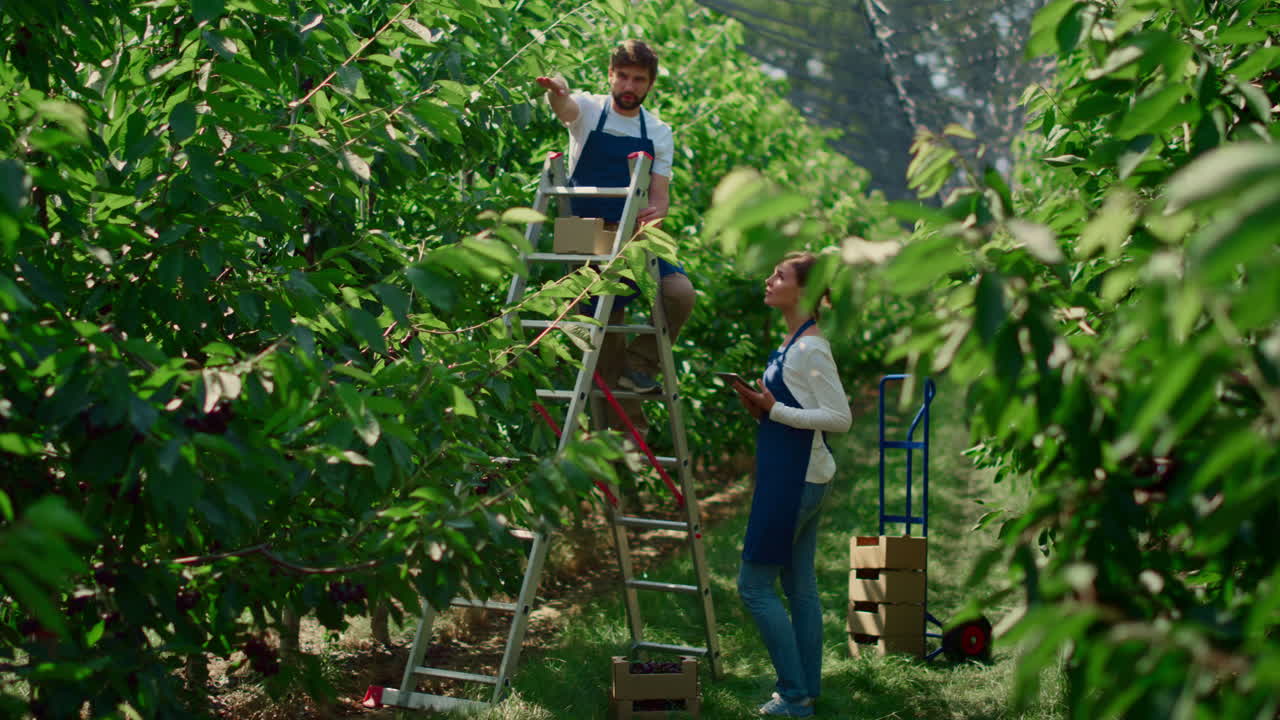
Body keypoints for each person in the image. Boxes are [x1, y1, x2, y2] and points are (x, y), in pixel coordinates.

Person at [536, 40, 696, 434]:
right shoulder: (589, 110)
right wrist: (557, 91)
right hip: (582, 235)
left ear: (650, 84)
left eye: (638, 79)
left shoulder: (658, 132)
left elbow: (660, 199)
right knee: (602, 357)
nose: (629, 84)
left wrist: (655, 218)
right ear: (610, 75)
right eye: (622, 75)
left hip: (630, 236)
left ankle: (641, 364)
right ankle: (617, 455)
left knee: (679, 293)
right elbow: (565, 107)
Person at [732, 251, 852, 718]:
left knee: (753, 587)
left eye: (778, 275)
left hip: (795, 479)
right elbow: (793, 403)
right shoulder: (793, 342)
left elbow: (840, 418)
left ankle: (793, 694)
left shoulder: (811, 349)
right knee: (798, 585)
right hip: (797, 472)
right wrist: (764, 406)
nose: (768, 280)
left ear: (802, 290)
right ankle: (807, 691)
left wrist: (774, 411)